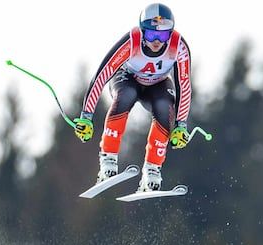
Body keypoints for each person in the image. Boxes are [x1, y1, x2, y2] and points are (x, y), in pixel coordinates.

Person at [75, 3, 192, 192]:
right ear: (142, 31)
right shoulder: (131, 41)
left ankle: (153, 169)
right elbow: (101, 76)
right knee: (126, 96)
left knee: (164, 106)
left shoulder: (178, 46)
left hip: (158, 84)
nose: (156, 41)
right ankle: (108, 158)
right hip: (127, 78)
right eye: (151, 34)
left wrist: (181, 125)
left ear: (170, 34)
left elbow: (184, 85)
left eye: (162, 35)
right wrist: (86, 116)